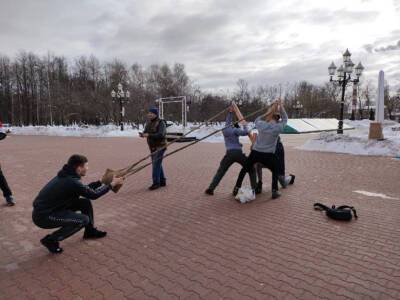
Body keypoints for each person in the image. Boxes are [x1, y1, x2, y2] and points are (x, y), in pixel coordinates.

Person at [32, 154, 124, 254]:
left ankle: (90, 231)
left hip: (55, 208)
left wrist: (100, 182)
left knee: (84, 202)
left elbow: (85, 191)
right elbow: (94, 195)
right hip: (44, 216)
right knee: (83, 220)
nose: (87, 168)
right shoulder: (71, 181)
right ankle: (51, 240)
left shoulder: (68, 175)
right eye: (86, 166)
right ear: (79, 168)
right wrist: (111, 185)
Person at [234, 100, 287, 199]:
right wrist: (280, 106)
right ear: (277, 119)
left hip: (256, 152)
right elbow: (285, 119)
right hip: (268, 155)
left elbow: (257, 119)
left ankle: (236, 187)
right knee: (275, 170)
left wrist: (267, 112)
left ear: (269, 117)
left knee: (244, 169)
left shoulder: (262, 124)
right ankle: (274, 191)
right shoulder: (278, 127)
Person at [205, 104, 256, 195]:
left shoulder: (225, 130)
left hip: (229, 154)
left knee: (221, 171)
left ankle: (211, 188)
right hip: (238, 153)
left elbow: (228, 120)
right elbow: (246, 132)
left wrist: (230, 112)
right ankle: (254, 189)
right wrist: (245, 125)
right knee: (251, 168)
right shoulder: (235, 130)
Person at [140, 107, 167, 190]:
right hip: (152, 147)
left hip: (160, 146)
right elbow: (146, 132)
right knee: (157, 164)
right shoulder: (148, 124)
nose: (150, 114)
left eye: (152, 113)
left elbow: (161, 134)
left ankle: (156, 183)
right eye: (149, 113)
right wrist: (143, 134)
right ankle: (162, 180)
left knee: (155, 165)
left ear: (156, 114)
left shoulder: (161, 123)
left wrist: (149, 135)